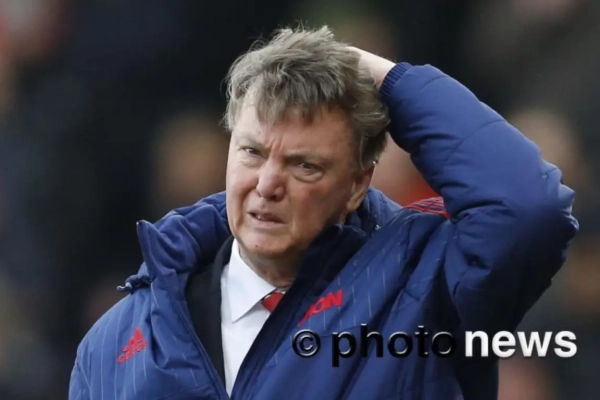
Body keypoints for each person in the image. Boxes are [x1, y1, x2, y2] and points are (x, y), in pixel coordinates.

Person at [68, 26, 578, 400]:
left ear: (357, 183)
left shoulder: (425, 287)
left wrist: (381, 75)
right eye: (251, 152)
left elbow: (527, 208)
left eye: (304, 165)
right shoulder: (117, 342)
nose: (267, 184)